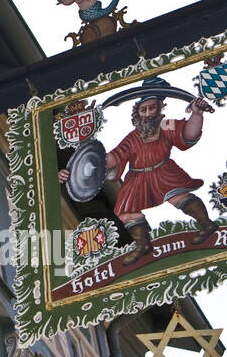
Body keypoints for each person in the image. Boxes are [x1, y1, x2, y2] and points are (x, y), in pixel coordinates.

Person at [60, 81, 217, 265]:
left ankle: (207, 224)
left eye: (152, 108)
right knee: (125, 212)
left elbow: (188, 134)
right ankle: (143, 246)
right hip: (138, 178)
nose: (148, 114)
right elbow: (112, 158)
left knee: (179, 196)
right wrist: (75, 170)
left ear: (159, 109)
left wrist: (197, 115)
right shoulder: (133, 137)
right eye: (144, 110)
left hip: (163, 172)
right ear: (137, 113)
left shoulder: (166, 126)